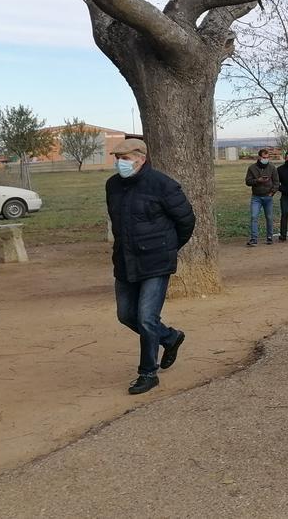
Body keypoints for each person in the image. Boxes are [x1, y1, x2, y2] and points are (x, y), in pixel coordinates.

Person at [105, 138, 195, 395]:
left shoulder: (162, 185)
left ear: (140, 158)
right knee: (126, 315)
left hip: (156, 262)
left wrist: (168, 248)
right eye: (117, 158)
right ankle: (170, 337)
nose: (119, 162)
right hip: (125, 260)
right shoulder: (112, 185)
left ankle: (148, 373)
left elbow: (186, 220)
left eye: (125, 158)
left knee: (146, 319)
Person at [245, 148, 279, 245]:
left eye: (267, 157)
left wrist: (272, 192)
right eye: (264, 157)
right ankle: (254, 239)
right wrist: (257, 180)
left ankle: (269, 237)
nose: (266, 159)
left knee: (269, 217)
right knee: (254, 216)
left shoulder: (272, 168)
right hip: (256, 197)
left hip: (268, 197)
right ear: (259, 157)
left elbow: (276, 182)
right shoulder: (252, 168)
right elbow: (248, 182)